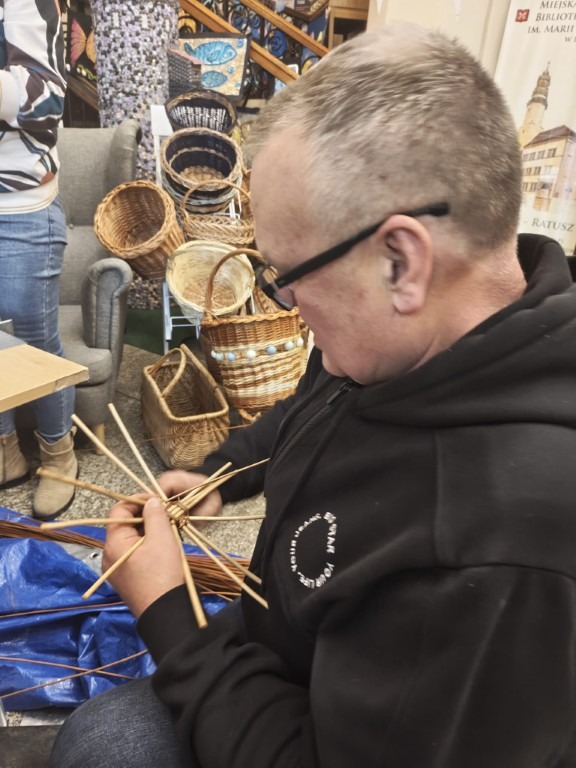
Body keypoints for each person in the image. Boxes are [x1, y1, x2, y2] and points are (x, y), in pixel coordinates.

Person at [51, 21, 576, 767]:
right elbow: (308, 413)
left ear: (401, 261)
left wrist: (168, 614)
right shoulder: (395, 344)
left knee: (107, 747)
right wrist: (221, 474)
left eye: (289, 274)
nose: (284, 302)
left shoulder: (495, 550)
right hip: (290, 642)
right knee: (103, 731)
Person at [0, 0, 78, 519]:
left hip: (18, 201)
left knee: (34, 341)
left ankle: (58, 453)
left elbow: (45, 98)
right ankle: (6, 450)